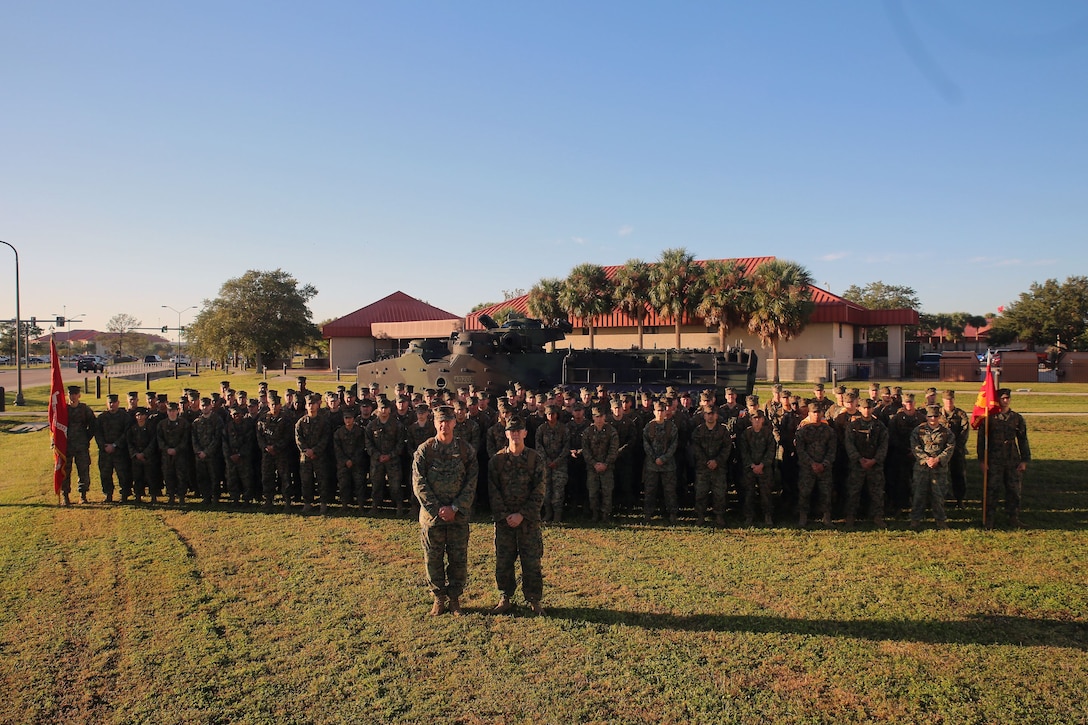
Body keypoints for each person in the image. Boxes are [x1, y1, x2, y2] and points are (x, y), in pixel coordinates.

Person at [413, 406, 478, 616]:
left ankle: (455, 598)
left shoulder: (466, 450)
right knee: (433, 557)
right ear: (434, 423)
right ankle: (438, 598)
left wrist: (455, 507)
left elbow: (471, 482)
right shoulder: (425, 450)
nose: (444, 425)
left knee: (458, 557)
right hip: (432, 517)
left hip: (458, 515)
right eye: (441, 421)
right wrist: (438, 509)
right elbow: (419, 483)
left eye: (448, 421)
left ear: (454, 423)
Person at [488, 417, 547, 615]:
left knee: (531, 561)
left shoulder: (534, 459)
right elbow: (493, 491)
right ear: (506, 434)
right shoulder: (497, 460)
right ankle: (505, 597)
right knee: (503, 561)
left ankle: (534, 599)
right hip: (505, 522)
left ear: (525, 433)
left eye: (518, 430)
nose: (514, 433)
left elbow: (539, 491)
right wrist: (506, 515)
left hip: (528, 522)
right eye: (511, 430)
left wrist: (522, 515)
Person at [977, 388, 1031, 529]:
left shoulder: (1017, 418)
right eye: (1003, 398)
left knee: (1014, 490)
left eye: (1008, 398)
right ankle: (989, 519)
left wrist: (1024, 460)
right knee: (992, 490)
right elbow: (981, 440)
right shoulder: (990, 418)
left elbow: (1023, 440)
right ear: (997, 399)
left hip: (1012, 459)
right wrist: (982, 460)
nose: (1005, 401)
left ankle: (1013, 517)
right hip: (994, 460)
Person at [843, 398, 888, 528]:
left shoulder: (880, 426)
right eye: (864, 408)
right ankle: (850, 516)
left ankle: (878, 517)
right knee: (853, 491)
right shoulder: (853, 426)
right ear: (859, 409)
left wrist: (874, 460)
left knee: (877, 492)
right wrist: (859, 459)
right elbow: (849, 444)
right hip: (857, 464)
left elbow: (883, 445)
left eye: (869, 408)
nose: (867, 410)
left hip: (875, 465)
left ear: (872, 409)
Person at [910, 405, 956, 530]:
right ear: (926, 417)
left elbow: (949, 448)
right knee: (919, 494)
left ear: (939, 417)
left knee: (939, 495)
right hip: (922, 469)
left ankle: (940, 520)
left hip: (939, 469)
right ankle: (915, 519)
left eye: (935, 416)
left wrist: (938, 459)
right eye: (930, 416)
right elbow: (915, 447)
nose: (933, 419)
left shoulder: (946, 432)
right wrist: (926, 459)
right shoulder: (918, 431)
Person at [794, 399, 836, 527]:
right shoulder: (803, 430)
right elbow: (800, 450)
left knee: (826, 492)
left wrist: (824, 464)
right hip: (808, 467)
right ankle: (803, 516)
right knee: (804, 492)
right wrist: (811, 463)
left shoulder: (829, 431)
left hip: (825, 467)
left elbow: (832, 450)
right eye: (814, 412)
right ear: (809, 413)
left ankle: (826, 517)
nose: (816, 415)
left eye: (819, 412)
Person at [689, 404, 731, 526]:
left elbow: (727, 447)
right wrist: (706, 461)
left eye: (712, 414)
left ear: (717, 415)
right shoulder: (699, 430)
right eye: (708, 414)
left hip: (719, 467)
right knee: (701, 492)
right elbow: (695, 447)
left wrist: (717, 461)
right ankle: (701, 516)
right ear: (704, 415)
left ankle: (719, 516)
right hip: (703, 467)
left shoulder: (723, 430)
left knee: (719, 493)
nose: (710, 416)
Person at [642, 398, 680, 522]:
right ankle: (648, 513)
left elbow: (674, 445)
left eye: (662, 410)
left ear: (665, 412)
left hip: (668, 465)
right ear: (654, 412)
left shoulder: (671, 426)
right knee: (650, 490)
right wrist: (654, 458)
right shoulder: (649, 426)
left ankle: (672, 513)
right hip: (651, 465)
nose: (660, 413)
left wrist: (663, 458)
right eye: (657, 410)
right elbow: (646, 444)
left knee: (670, 491)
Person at [581, 405, 619, 523]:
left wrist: (605, 464)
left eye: (601, 416)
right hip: (592, 468)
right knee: (593, 492)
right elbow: (585, 450)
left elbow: (614, 450)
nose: (598, 419)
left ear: (605, 417)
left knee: (607, 491)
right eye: (596, 416)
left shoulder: (611, 431)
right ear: (593, 417)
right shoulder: (587, 432)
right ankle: (595, 514)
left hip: (607, 467)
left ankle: (605, 515)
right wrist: (594, 464)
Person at [738, 409, 776, 526]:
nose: (757, 420)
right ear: (750, 420)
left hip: (765, 468)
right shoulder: (746, 434)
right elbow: (743, 452)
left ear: (763, 420)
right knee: (749, 493)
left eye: (759, 418)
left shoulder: (768, 433)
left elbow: (771, 451)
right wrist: (752, 465)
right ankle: (749, 516)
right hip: (750, 468)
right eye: (755, 418)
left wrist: (762, 465)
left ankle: (767, 516)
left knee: (766, 493)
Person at [60, 386, 96, 505]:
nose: (73, 396)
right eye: (71, 394)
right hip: (67, 446)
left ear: (79, 395)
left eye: (75, 394)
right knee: (65, 471)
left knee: (83, 470)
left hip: (81, 446)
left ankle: (83, 495)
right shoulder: (64, 409)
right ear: (67, 395)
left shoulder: (85, 409)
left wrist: (86, 437)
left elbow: (93, 425)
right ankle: (65, 495)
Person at [95, 393, 130, 502]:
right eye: (110, 402)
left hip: (120, 451)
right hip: (105, 451)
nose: (112, 405)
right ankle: (108, 494)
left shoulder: (125, 417)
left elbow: (126, 433)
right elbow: (98, 433)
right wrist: (104, 446)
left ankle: (124, 495)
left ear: (118, 403)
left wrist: (115, 445)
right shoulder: (102, 417)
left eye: (114, 403)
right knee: (105, 474)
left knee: (123, 474)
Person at [939, 390, 970, 508]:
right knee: (941, 476)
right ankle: (941, 499)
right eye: (947, 399)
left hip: (957, 450)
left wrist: (957, 446)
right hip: (942, 451)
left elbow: (964, 431)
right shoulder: (938, 414)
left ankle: (960, 499)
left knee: (958, 475)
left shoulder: (960, 414)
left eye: (951, 399)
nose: (949, 402)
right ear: (943, 400)